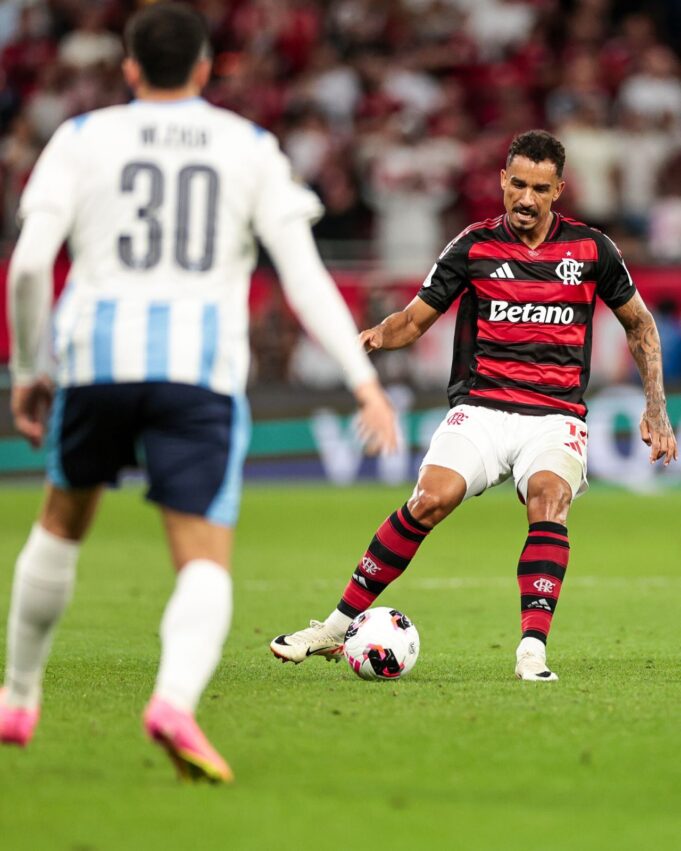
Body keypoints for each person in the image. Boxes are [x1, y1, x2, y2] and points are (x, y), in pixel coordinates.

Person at [0, 2, 398, 783]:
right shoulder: (246, 146)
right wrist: (363, 382)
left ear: (129, 67)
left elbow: (24, 267)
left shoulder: (81, 139)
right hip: (199, 375)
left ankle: (17, 696)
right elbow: (302, 273)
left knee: (61, 522)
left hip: (96, 362)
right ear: (209, 68)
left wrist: (28, 370)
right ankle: (174, 701)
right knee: (203, 559)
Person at [271, 129, 678, 681]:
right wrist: (370, 338)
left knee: (548, 498)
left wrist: (656, 408)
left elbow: (640, 325)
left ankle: (531, 650)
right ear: (502, 182)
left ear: (558, 190)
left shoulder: (591, 249)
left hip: (556, 417)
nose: (526, 199)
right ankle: (336, 625)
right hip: (483, 409)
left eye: (540, 187)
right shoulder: (473, 245)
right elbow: (414, 320)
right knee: (430, 500)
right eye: (517, 184)